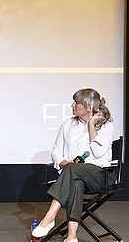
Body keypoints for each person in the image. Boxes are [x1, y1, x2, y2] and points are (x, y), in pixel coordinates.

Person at [31, 88, 115, 242]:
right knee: (75, 181)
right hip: (74, 175)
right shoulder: (68, 124)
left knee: (72, 170)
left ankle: (49, 217)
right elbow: (56, 151)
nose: (72, 105)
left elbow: (98, 152)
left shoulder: (106, 126)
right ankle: (71, 236)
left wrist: (91, 125)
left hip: (101, 175)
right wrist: (64, 163)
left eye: (76, 102)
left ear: (89, 107)